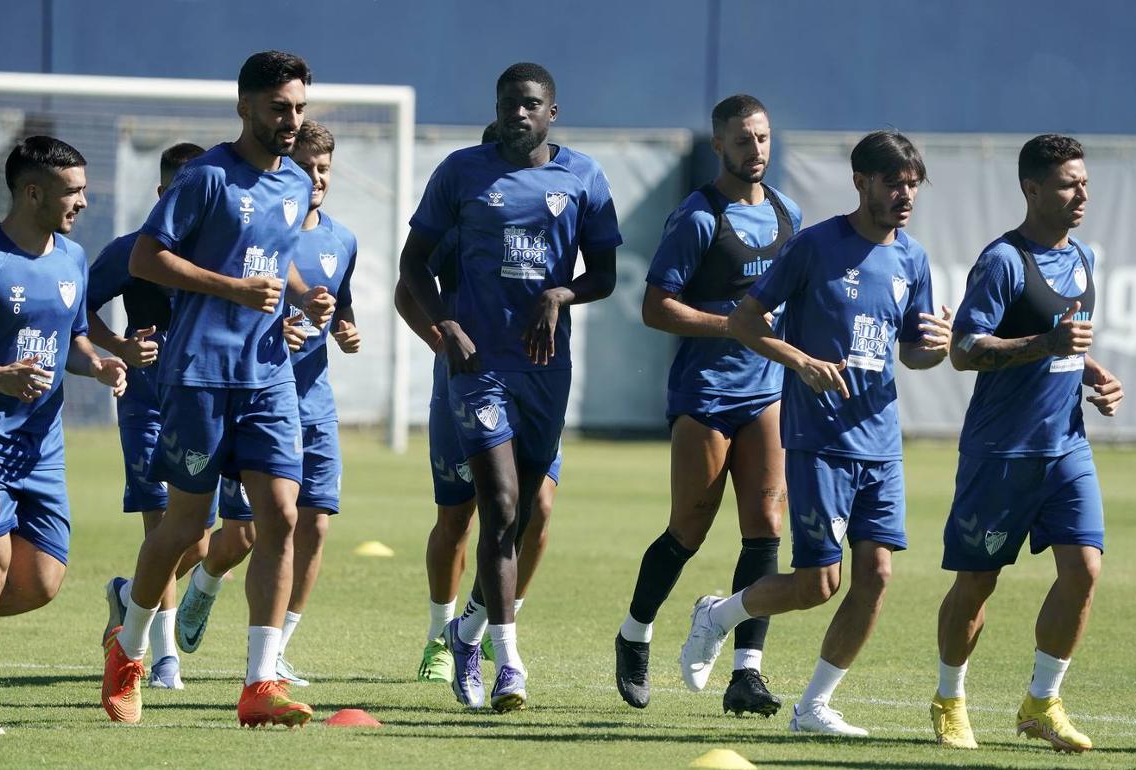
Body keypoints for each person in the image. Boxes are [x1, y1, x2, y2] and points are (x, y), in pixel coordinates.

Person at [677, 130, 952, 737]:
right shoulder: (813, 247)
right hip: (819, 442)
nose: (906, 195)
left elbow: (913, 354)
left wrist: (941, 346)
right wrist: (799, 362)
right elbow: (746, 323)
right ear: (862, 182)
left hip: (880, 442)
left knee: (876, 575)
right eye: (894, 183)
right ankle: (718, 616)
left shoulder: (913, 258)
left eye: (913, 184)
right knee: (817, 584)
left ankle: (814, 708)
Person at [99, 50, 334, 727]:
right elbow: (149, 257)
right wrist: (232, 288)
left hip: (267, 376)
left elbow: (275, 258)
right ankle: (131, 647)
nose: (291, 121)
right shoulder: (205, 177)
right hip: (200, 374)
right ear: (245, 107)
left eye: (299, 108)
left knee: (281, 517)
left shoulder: (294, 182)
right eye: (278, 108)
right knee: (182, 529)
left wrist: (304, 299)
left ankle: (260, 683)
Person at [399, 62, 620, 711]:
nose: (517, 114)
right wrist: (445, 325)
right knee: (495, 504)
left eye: (529, 104)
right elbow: (413, 264)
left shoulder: (582, 177)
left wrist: (563, 291)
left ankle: (466, 636)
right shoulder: (461, 173)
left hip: (545, 369)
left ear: (552, 111)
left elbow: (605, 273)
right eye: (507, 104)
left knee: (527, 511)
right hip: (478, 370)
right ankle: (509, 662)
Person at [0, 136, 127, 734]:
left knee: (39, 584)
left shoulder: (71, 258)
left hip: (41, 448)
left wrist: (100, 364)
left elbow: (71, 342)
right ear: (31, 192)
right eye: (73, 191)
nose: (84, 202)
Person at [931, 134, 1122, 753]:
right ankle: (949, 698)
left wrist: (1093, 371)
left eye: (1085, 183)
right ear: (1032, 189)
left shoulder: (1086, 257)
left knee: (1085, 569)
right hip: (1000, 455)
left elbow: (1070, 343)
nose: (1081, 194)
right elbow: (964, 351)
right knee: (975, 587)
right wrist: (1045, 346)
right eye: (1068, 184)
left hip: (1067, 447)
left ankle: (1041, 701)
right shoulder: (1004, 261)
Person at [616, 94, 800, 715]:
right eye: (744, 140)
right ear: (718, 144)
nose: (757, 150)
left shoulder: (787, 213)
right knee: (689, 528)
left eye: (764, 138)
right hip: (706, 395)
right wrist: (731, 327)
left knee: (766, 529)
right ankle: (635, 633)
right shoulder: (697, 218)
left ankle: (747, 673)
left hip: (766, 392)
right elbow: (654, 306)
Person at [172, 119, 360, 688]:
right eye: (308, 168)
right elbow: (244, 293)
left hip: (313, 403)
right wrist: (281, 325)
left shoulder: (342, 238)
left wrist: (345, 328)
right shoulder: (254, 223)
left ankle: (274, 656)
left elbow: (336, 304)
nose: (318, 179)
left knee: (315, 526)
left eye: (326, 169)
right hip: (249, 392)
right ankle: (201, 582)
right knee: (246, 534)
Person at [395, 122, 562, 684]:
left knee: (534, 510)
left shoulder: (559, 196)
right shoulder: (464, 205)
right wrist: (445, 343)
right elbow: (407, 286)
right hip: (467, 386)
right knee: (458, 515)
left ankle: (487, 621)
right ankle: (439, 635)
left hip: (536, 382)